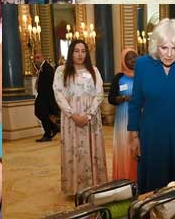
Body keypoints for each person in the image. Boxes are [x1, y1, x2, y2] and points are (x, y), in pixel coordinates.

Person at [128, 19, 175, 193]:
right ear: (155, 45)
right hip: (151, 136)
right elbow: (135, 102)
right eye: (164, 47)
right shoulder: (143, 64)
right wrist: (134, 137)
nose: (169, 54)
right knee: (154, 189)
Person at [53, 40, 107, 196]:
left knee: (92, 150)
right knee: (74, 150)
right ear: (71, 53)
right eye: (76, 51)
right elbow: (58, 94)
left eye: (83, 51)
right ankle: (75, 188)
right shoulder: (61, 71)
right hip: (71, 120)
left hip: (91, 118)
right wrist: (72, 114)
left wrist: (89, 114)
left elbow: (99, 93)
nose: (80, 54)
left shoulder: (94, 71)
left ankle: (95, 185)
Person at [108, 48, 138, 182]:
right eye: (129, 58)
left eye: (135, 57)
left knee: (139, 146)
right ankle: (124, 179)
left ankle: (138, 178)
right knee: (124, 147)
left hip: (139, 116)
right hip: (123, 117)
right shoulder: (118, 78)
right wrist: (122, 98)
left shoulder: (142, 76)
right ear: (123, 60)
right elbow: (111, 98)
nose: (133, 60)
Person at [34, 53, 60, 142]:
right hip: (41, 95)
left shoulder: (47, 68)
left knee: (43, 114)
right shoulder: (41, 68)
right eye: (35, 58)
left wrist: (50, 99)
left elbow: (51, 83)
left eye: (38, 57)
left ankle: (47, 135)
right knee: (37, 112)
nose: (36, 59)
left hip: (45, 96)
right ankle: (54, 127)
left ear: (43, 57)